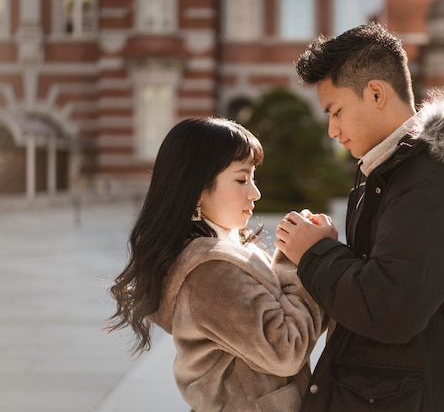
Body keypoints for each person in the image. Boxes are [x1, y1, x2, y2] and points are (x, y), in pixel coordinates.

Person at [275, 22, 444, 411]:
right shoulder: (386, 169)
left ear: (376, 92)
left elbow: (390, 308)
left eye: (336, 111)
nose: (332, 130)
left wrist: (317, 253)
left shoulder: (437, 175)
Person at [106, 117, 326, 412]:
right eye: (241, 179)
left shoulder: (223, 250)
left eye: (253, 177)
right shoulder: (209, 272)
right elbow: (284, 349)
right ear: (197, 188)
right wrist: (302, 259)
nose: (255, 193)